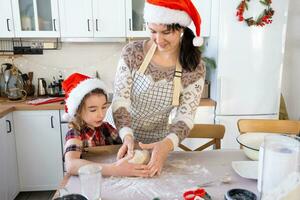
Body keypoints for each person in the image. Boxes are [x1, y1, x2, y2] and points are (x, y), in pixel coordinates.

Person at [112, 0, 206, 177]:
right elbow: (120, 100)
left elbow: (185, 116)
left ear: (181, 29)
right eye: (153, 31)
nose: (158, 39)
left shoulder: (194, 67)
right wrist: (126, 135)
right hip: (120, 138)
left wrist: (166, 145)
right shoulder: (132, 53)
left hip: (159, 143)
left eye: (166, 32)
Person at [62, 73, 149, 177]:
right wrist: (115, 169)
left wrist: (141, 146)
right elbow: (71, 165)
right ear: (78, 111)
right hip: (87, 182)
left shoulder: (106, 128)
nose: (101, 114)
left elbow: (129, 144)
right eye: (93, 110)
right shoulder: (75, 133)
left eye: (104, 107)